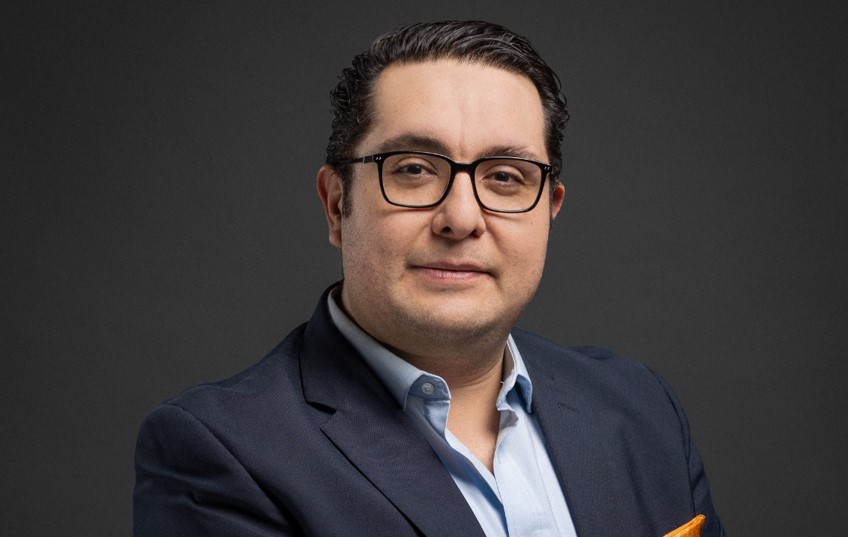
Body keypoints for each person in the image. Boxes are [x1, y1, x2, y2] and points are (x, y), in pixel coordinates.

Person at [134, 20, 726, 537]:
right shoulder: (221, 451)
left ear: (550, 210)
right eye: (414, 170)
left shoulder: (640, 406)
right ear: (337, 204)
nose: (461, 219)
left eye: (505, 177)